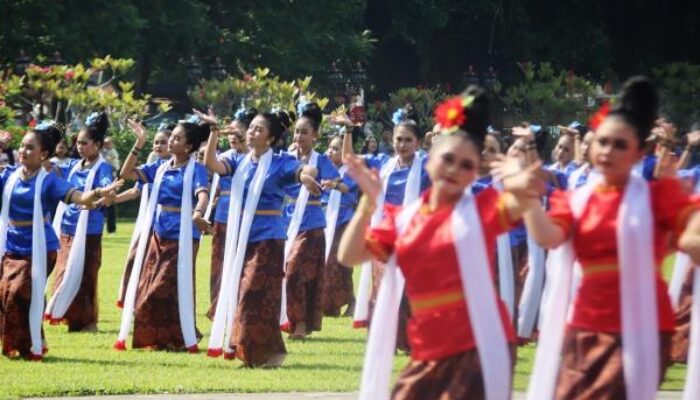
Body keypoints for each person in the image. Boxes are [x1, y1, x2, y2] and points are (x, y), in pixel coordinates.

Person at [338, 86, 538, 399]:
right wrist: (367, 204)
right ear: (429, 159)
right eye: (448, 159)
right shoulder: (404, 220)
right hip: (428, 346)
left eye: (467, 165)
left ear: (475, 173)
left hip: (479, 345)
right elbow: (349, 256)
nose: (455, 170)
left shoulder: (483, 208)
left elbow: (524, 197)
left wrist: (517, 174)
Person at [521, 76, 700, 399]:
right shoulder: (575, 199)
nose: (607, 151)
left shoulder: (658, 198)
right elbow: (547, 237)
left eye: (620, 145)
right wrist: (527, 198)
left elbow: (692, 236)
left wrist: (688, 237)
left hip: (643, 326)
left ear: (639, 152)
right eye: (602, 142)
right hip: (586, 322)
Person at [203, 109, 321, 367]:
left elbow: (303, 168)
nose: (251, 132)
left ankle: (258, 354)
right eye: (251, 128)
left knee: (254, 295)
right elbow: (212, 165)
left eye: (258, 129)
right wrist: (213, 131)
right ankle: (263, 354)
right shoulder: (240, 162)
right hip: (241, 237)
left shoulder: (280, 162)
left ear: (269, 138)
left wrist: (307, 177)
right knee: (242, 293)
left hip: (268, 239)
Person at [0, 120, 116, 359]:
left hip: (39, 248)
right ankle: (30, 341)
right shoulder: (9, 175)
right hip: (10, 244)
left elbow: (78, 197)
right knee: (7, 294)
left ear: (43, 154)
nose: (23, 151)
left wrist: (96, 193)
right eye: (22, 146)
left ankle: (28, 345)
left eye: (30, 147)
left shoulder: (49, 181)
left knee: (19, 291)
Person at [114, 115, 211, 352]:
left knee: (165, 287)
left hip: (184, 236)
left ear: (188, 146)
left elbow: (202, 194)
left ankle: (177, 336)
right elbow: (126, 174)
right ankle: (165, 339)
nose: (170, 141)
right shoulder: (159, 167)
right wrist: (139, 142)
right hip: (159, 232)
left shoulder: (196, 169)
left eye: (176, 138)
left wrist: (198, 213)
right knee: (148, 287)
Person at [341, 106, 430, 353]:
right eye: (398, 139)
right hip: (386, 236)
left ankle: (413, 341)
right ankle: (385, 340)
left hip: (415, 238)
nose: (402, 144)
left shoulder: (426, 166)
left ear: (418, 142)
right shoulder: (383, 163)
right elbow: (349, 160)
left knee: (411, 292)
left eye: (408, 140)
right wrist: (349, 130)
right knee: (382, 291)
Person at [46, 112, 114, 332]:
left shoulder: (103, 168)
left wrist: (96, 201)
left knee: (85, 275)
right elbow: (49, 167)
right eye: (78, 143)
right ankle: (68, 316)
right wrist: (47, 140)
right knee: (64, 272)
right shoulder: (74, 165)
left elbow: (106, 191)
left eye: (85, 143)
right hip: (67, 227)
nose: (80, 146)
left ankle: (87, 322)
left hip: (89, 230)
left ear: (98, 145)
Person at [281, 101, 340, 339]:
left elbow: (344, 186)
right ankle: (287, 320)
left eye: (304, 132)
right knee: (285, 272)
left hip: (311, 225)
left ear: (315, 135)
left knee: (297, 271)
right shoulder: (285, 158)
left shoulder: (322, 161)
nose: (299, 136)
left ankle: (301, 323)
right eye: (296, 131)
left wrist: (331, 184)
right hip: (285, 223)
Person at [113, 124, 172, 309]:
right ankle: (132, 299)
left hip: (171, 227)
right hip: (151, 224)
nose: (158, 146)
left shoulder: (186, 167)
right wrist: (139, 143)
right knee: (134, 259)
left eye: (163, 142)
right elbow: (128, 177)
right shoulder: (154, 167)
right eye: (155, 143)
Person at [207, 107, 256, 319]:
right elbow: (212, 167)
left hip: (248, 215)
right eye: (231, 132)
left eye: (238, 132)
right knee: (219, 262)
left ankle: (241, 304)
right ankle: (220, 306)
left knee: (244, 262)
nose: (233, 137)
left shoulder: (256, 157)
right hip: (224, 215)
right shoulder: (226, 156)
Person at [321, 134, 358, 317]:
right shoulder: (326, 168)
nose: (330, 151)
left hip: (344, 220)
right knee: (326, 262)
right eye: (330, 147)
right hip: (326, 218)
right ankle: (331, 305)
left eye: (336, 148)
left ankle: (351, 301)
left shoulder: (350, 170)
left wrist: (333, 185)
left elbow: (346, 188)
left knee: (340, 263)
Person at [101, 137, 120, 234]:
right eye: (105, 143)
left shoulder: (113, 153)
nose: (107, 145)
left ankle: (111, 228)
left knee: (110, 204)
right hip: (102, 180)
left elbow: (115, 167)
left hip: (111, 180)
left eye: (108, 143)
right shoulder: (102, 152)